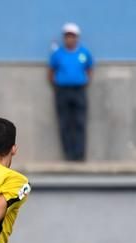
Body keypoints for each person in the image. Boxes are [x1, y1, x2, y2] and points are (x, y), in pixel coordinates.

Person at [48, 22, 94, 162]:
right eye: (67, 36)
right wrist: (56, 84)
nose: (70, 39)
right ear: (64, 38)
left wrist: (86, 80)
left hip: (79, 91)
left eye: (72, 36)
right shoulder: (58, 54)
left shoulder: (84, 53)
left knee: (79, 122)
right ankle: (68, 155)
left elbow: (90, 68)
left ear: (77, 37)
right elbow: (51, 71)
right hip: (62, 91)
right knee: (65, 123)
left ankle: (79, 155)